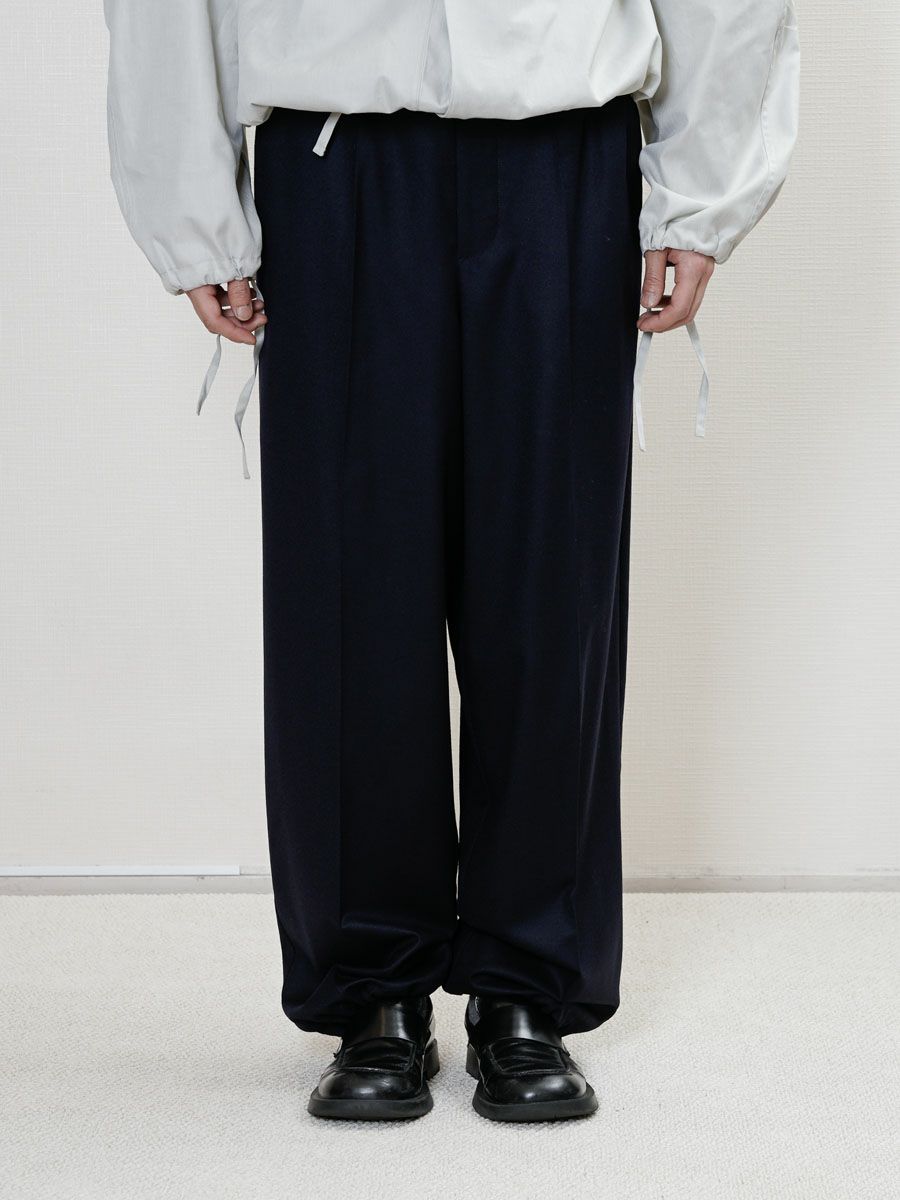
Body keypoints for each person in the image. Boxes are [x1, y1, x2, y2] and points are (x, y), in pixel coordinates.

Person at [103, 0, 799, 1123]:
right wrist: (194, 211)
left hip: (563, 143)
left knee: (552, 582)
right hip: (337, 152)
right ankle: (373, 990)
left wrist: (703, 191)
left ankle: (528, 982)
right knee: (350, 589)